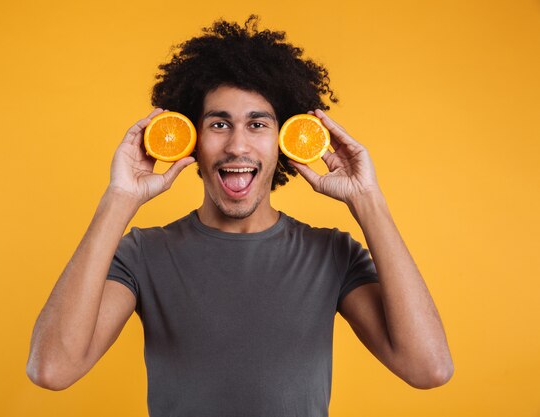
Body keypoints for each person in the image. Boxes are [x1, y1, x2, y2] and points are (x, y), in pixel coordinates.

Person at [26, 15, 453, 416]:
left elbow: (428, 368)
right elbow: (52, 369)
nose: (237, 146)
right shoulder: (142, 255)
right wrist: (119, 197)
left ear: (283, 139)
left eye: (257, 124)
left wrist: (367, 199)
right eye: (218, 124)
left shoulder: (332, 254)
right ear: (191, 139)